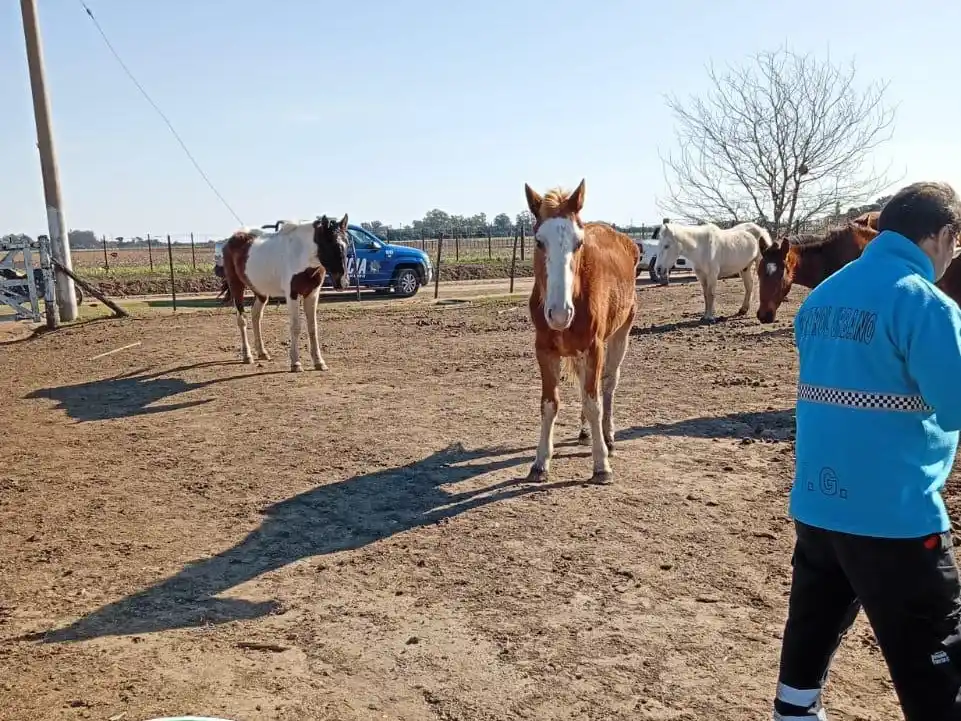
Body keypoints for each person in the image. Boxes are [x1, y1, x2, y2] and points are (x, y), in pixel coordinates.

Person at [773, 181, 961, 721]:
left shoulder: (824, 297)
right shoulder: (924, 302)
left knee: (809, 636)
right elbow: (954, 407)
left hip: (817, 505)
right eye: (956, 243)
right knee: (937, 670)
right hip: (895, 518)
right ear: (943, 234)